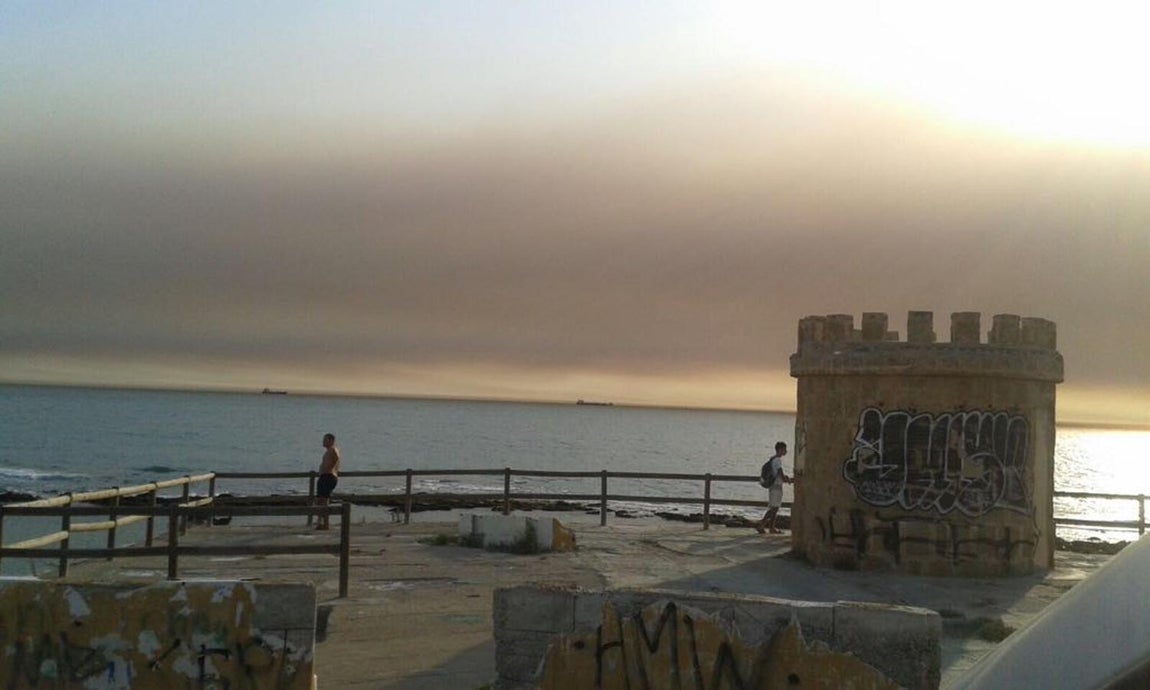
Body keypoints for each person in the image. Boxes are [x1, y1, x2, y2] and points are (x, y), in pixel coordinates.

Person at [755, 441, 793, 535]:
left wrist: (785, 478)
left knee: (774, 507)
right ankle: (762, 525)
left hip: (773, 486)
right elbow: (780, 473)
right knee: (774, 508)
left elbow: (777, 473)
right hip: (776, 487)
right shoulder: (777, 460)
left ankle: (771, 527)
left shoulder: (773, 459)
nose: (786, 451)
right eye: (785, 449)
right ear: (780, 449)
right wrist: (787, 480)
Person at [315, 433, 341, 530]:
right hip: (324, 476)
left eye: (325, 440)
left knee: (324, 500)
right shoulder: (329, 451)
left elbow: (336, 458)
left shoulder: (333, 449)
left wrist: (330, 469)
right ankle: (320, 522)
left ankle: (325, 524)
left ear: (331, 440)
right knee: (319, 500)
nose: (323, 442)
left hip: (328, 476)